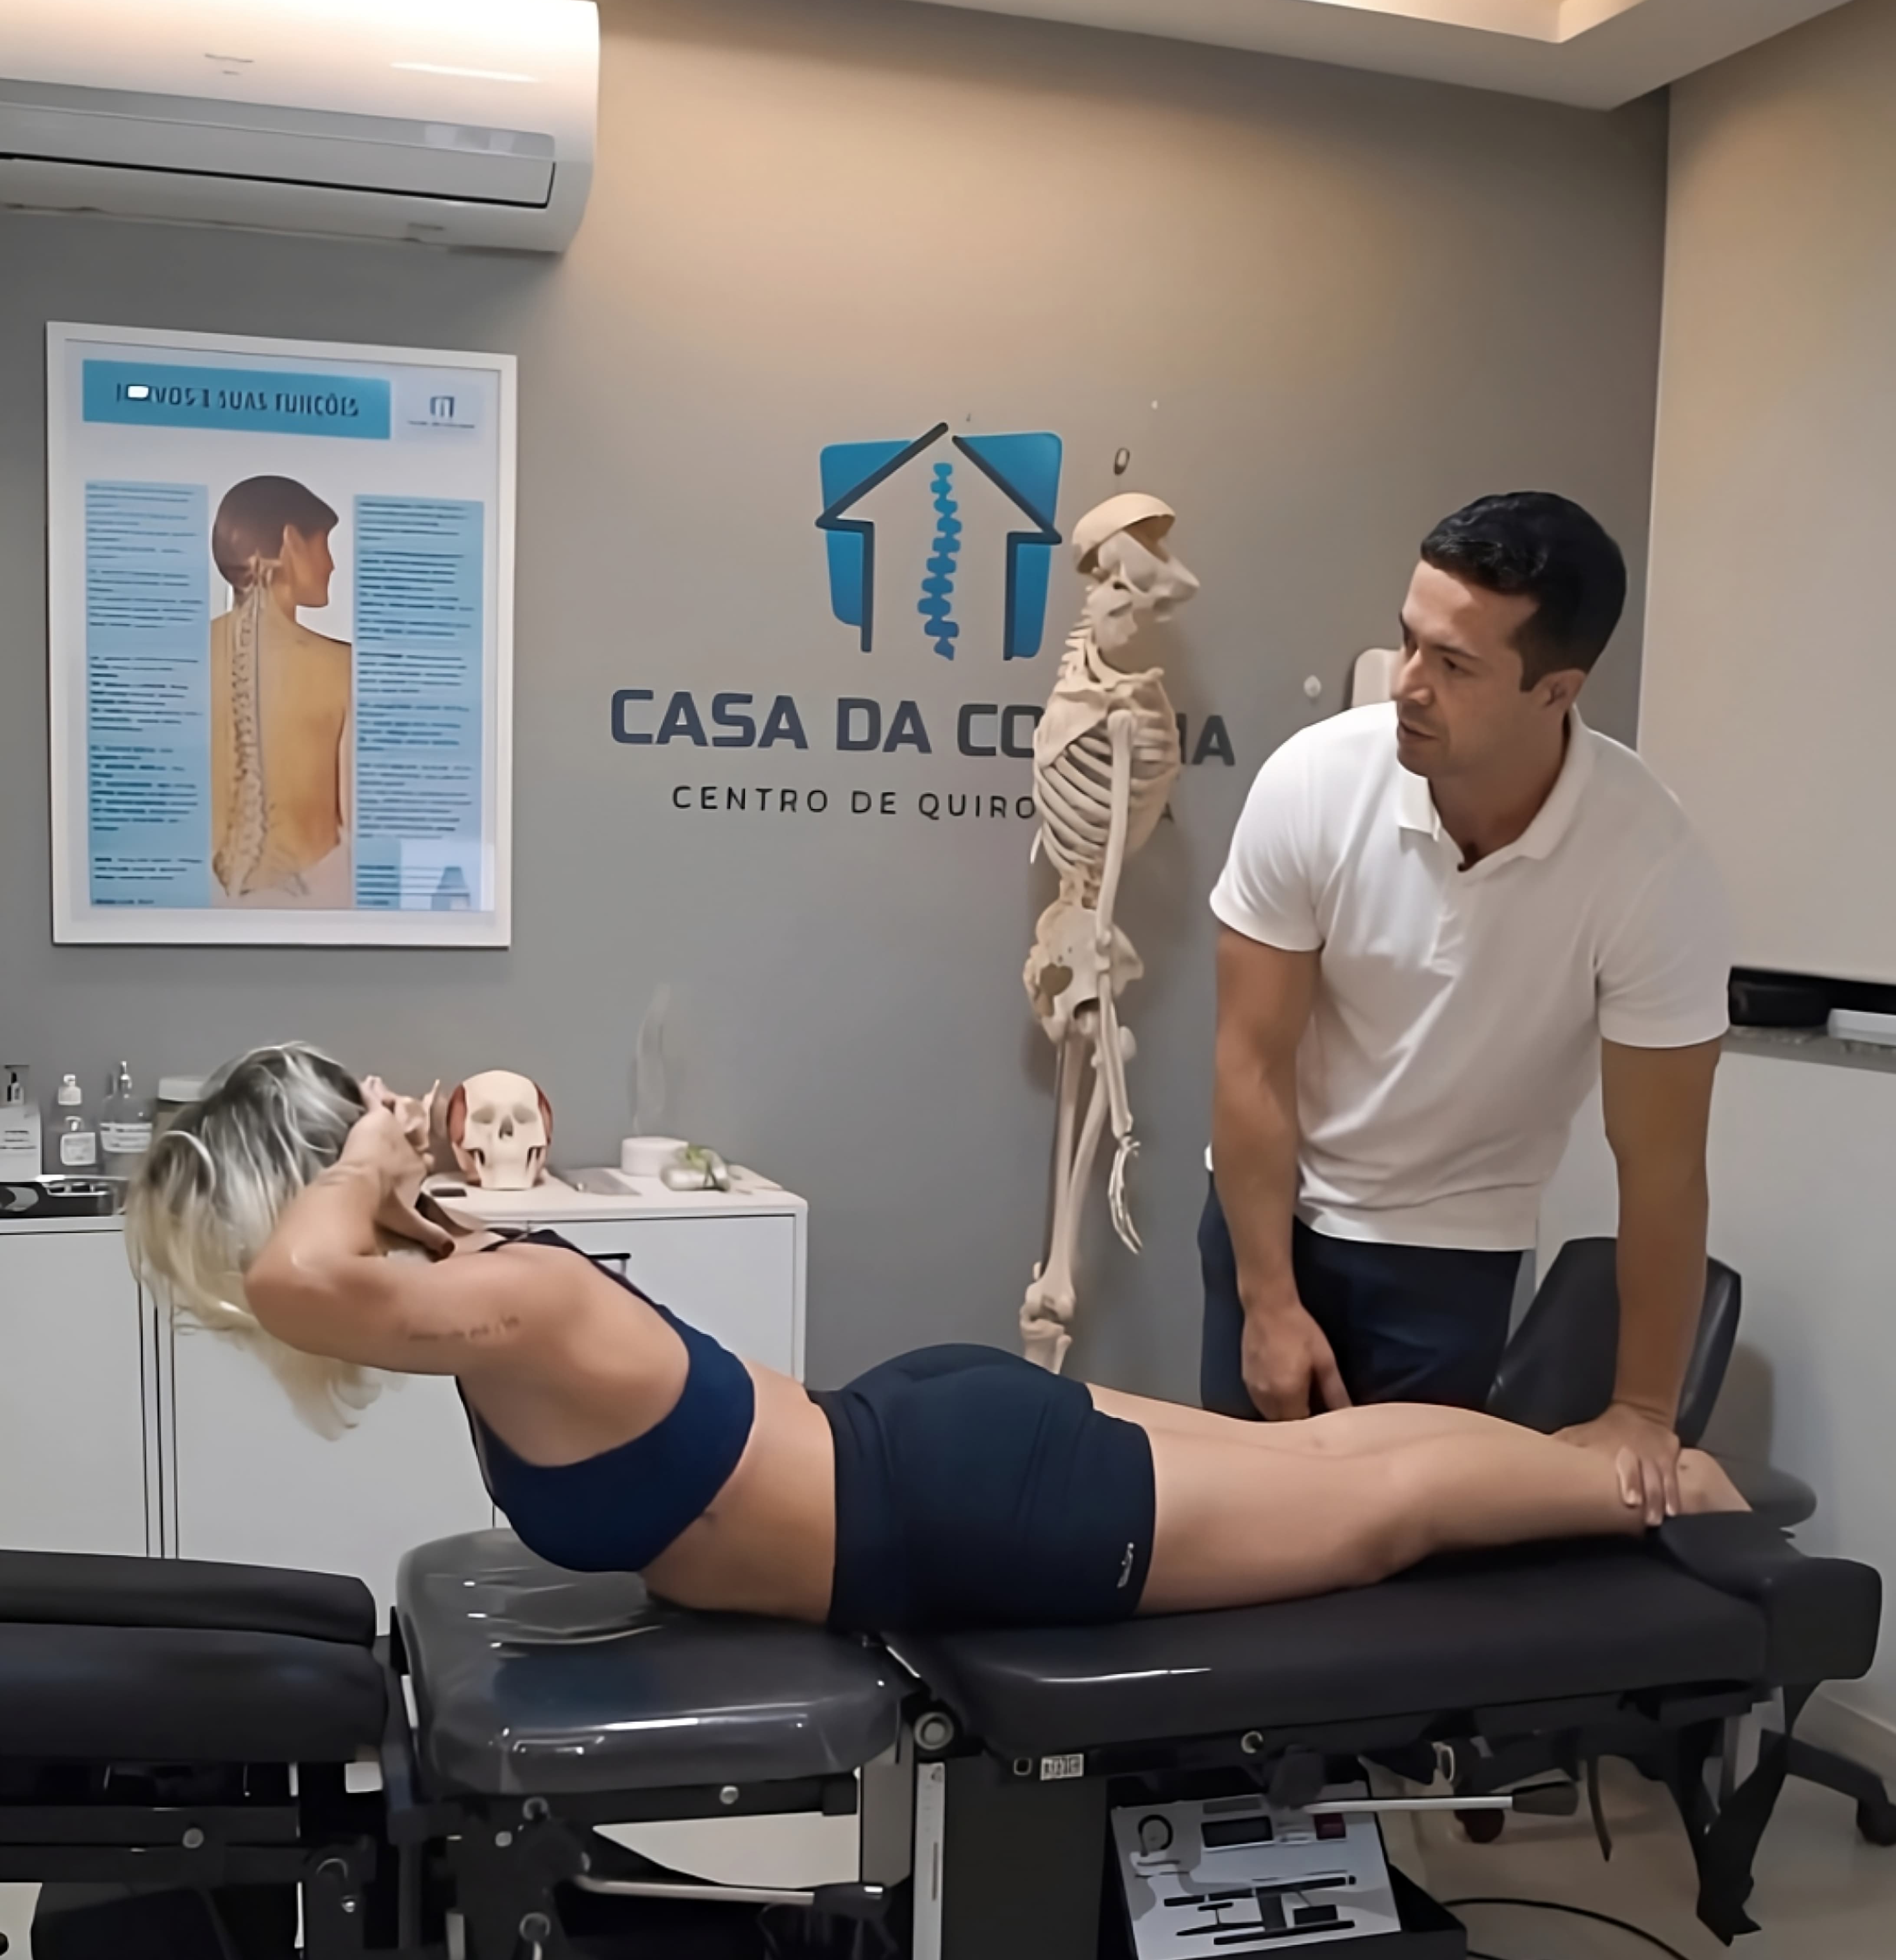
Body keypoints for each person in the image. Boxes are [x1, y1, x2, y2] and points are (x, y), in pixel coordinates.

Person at [126, 1048, 1744, 1639]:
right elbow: (305, 1274)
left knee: (1373, 1505)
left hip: (967, 1502)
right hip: (927, 1453)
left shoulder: (505, 1294)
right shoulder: (474, 1295)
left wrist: (365, 1159)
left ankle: (1653, 1482)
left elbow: (294, 1280)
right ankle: (1603, 1464)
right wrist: (370, 1165)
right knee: (1331, 1462)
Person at [1206, 490, 1730, 1520]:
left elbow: (1663, 1165)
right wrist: (1267, 1297)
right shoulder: (1314, 784)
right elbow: (1249, 1060)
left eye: (1453, 665)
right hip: (1274, 1210)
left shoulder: (1650, 866)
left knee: (1403, 1549)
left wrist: (1642, 1410)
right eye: (1408, 641)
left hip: (1453, 1247)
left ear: (1556, 690)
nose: (1407, 683)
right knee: (1243, 1531)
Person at [209, 475, 352, 908]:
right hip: (315, 905)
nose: (331, 564)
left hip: (203, 911)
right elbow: (358, 820)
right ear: (291, 543)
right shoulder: (343, 668)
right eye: (324, 544)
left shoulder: (181, 658)